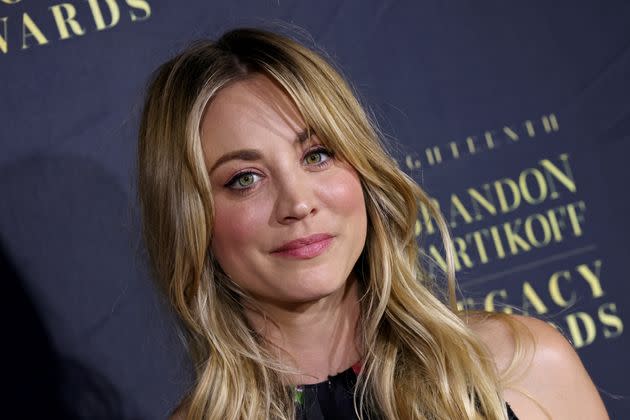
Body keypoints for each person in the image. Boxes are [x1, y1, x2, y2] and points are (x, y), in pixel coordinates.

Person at [137, 28, 609, 419]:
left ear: (361, 171)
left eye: (317, 154)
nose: (298, 203)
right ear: (192, 221)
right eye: (244, 179)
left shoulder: (520, 365)